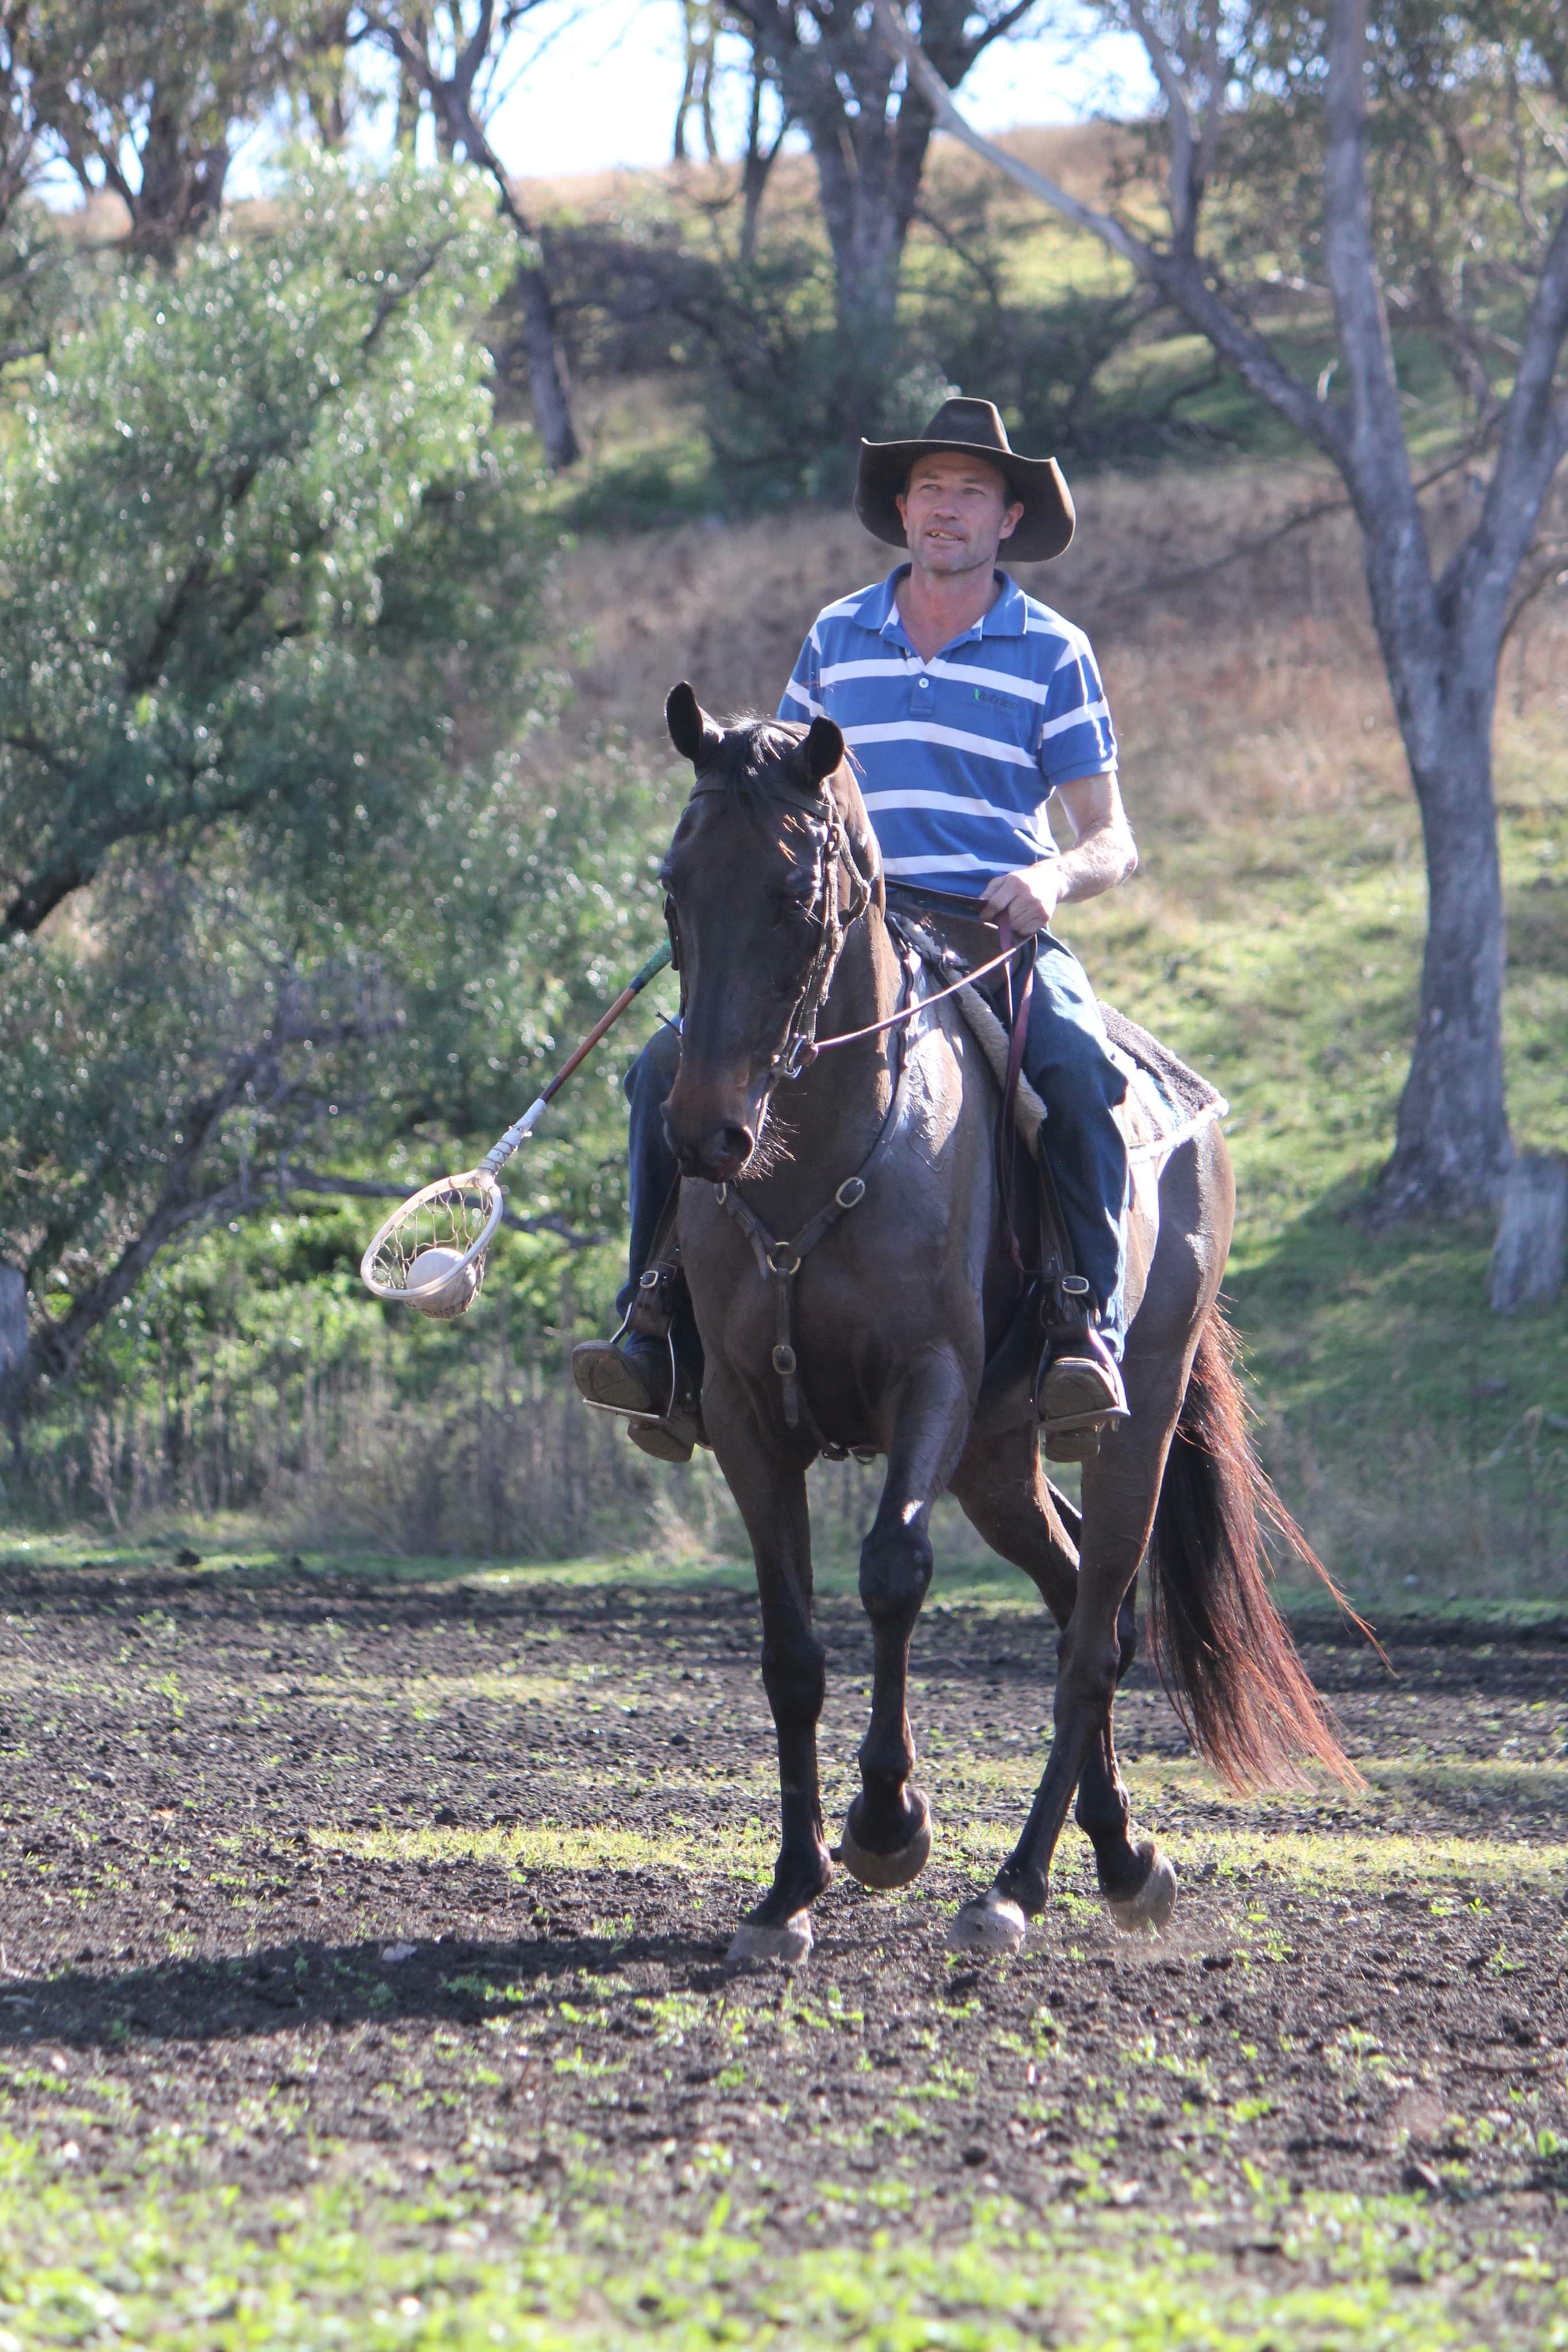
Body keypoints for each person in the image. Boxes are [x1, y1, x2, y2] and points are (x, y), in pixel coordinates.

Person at [573, 396, 1137, 1460]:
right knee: (662, 1073)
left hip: (988, 930)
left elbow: (1114, 838)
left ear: (1009, 518)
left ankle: (1082, 1326)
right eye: (930, 489)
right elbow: (783, 788)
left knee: (1072, 1068)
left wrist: (1053, 877)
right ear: (904, 509)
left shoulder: (1053, 651)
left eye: (971, 492)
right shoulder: (838, 634)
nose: (947, 508)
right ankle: (654, 1325)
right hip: (834, 930)